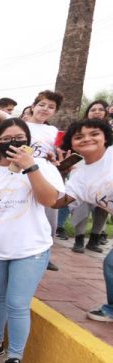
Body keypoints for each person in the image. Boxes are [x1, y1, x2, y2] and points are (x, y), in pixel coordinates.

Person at [0, 118, 64, 363]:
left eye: (17, 137)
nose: (10, 142)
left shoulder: (43, 167)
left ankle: (14, 359)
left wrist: (31, 166)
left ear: (27, 140)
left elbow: (50, 200)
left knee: (17, 304)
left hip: (30, 249)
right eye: (4, 138)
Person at [54, 119, 113, 322]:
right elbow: (58, 201)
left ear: (105, 137)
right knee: (111, 264)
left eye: (94, 133)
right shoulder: (79, 173)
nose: (87, 138)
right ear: (72, 143)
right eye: (79, 137)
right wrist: (52, 173)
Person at [25, 90, 64, 271]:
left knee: (50, 216)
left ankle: (45, 252)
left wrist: (55, 159)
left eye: (51, 107)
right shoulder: (20, 126)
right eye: (42, 105)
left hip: (47, 176)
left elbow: (57, 153)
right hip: (22, 174)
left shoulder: (53, 131)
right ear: (33, 106)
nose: (45, 109)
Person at [69, 100, 111, 252]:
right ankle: (79, 239)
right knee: (82, 203)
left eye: (101, 109)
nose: (97, 112)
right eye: (93, 109)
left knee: (103, 207)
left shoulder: (109, 131)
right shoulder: (77, 128)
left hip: (106, 174)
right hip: (83, 168)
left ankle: (94, 238)